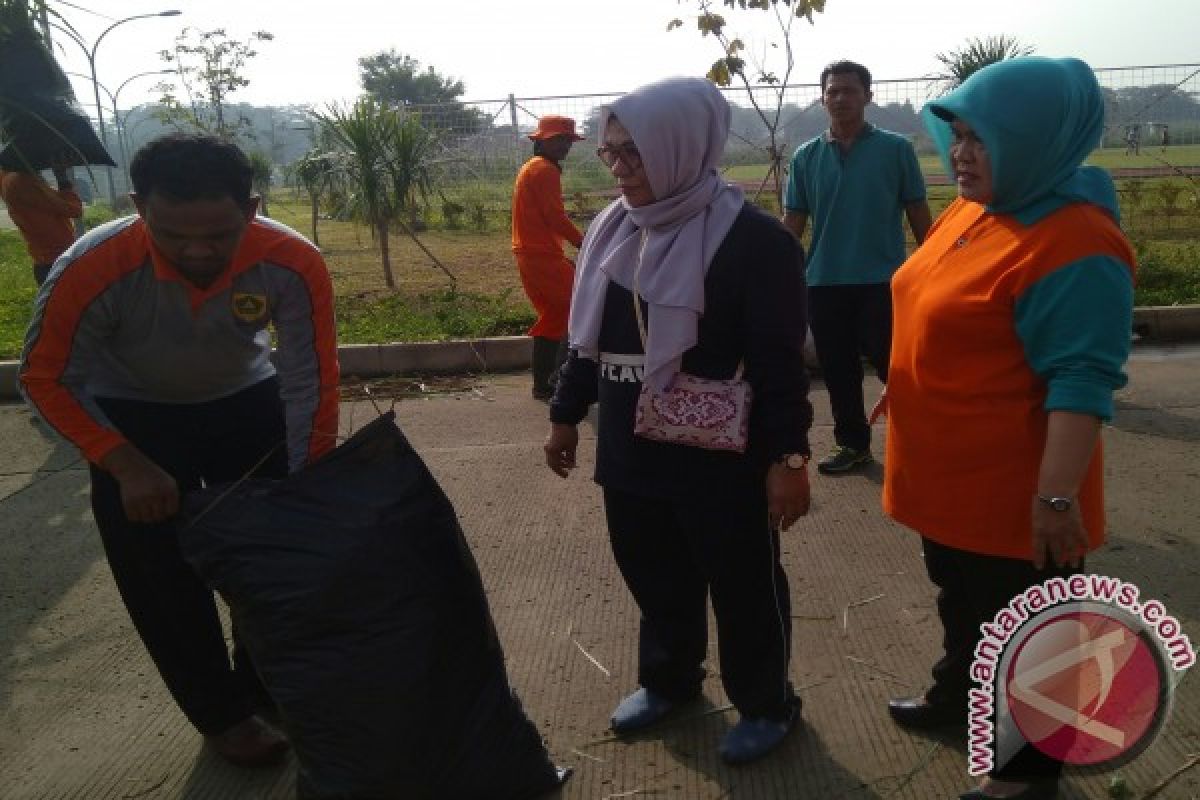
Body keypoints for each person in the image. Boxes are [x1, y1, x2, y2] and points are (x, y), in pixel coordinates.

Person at [18, 133, 341, 768]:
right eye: (173, 234)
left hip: (246, 405)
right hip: (132, 421)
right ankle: (221, 715)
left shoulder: (291, 261)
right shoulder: (90, 266)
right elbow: (45, 378)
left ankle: (263, 683)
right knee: (160, 579)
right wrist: (123, 462)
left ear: (251, 210)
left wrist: (308, 475)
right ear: (139, 207)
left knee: (268, 559)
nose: (198, 251)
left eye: (218, 234)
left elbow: (310, 376)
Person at [878, 57, 1135, 800]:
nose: (961, 152)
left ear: (1031, 139)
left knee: (1031, 632)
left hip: (1015, 491)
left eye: (983, 137)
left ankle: (1028, 776)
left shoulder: (1077, 243)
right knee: (962, 602)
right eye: (957, 134)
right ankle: (959, 695)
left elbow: (1082, 383)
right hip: (946, 477)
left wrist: (1056, 500)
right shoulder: (980, 207)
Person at [544, 77, 813, 765]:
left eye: (634, 154)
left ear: (679, 146)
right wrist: (567, 414)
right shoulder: (612, 231)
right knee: (655, 574)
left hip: (721, 457)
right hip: (631, 449)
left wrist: (788, 460)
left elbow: (780, 366)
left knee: (743, 582)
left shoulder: (755, 244)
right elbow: (587, 340)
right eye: (610, 155)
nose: (620, 171)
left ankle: (766, 702)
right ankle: (669, 681)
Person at [782, 60, 931, 474]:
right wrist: (774, 272)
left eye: (849, 90)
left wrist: (937, 266)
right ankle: (853, 445)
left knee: (895, 368)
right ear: (822, 97)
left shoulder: (896, 150)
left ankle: (917, 443)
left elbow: (918, 212)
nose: (840, 98)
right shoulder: (806, 157)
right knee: (839, 372)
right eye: (832, 91)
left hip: (883, 281)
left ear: (868, 95)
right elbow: (792, 223)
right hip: (824, 283)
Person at [511, 115, 585, 400]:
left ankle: (548, 381)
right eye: (559, 140)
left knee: (559, 312)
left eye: (568, 140)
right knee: (567, 309)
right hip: (539, 254)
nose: (565, 145)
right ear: (541, 140)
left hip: (536, 253)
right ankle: (548, 382)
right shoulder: (544, 170)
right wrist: (583, 242)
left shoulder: (535, 167)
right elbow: (555, 217)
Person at [0, 160, 82, 285]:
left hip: (45, 259)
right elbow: (73, 209)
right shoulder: (22, 181)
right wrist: (62, 178)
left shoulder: (7, 178)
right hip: (57, 259)